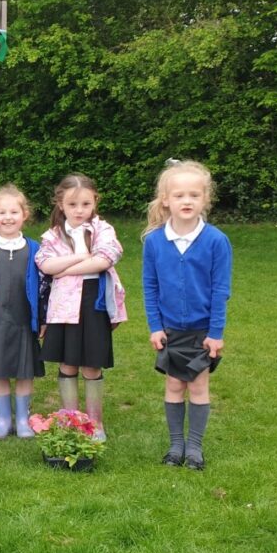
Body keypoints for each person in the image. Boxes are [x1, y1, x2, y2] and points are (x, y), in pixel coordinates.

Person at [142, 161, 231, 470]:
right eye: (179, 195)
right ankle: (175, 445)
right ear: (166, 199)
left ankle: (194, 448)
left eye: (194, 195)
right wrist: (155, 326)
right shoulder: (154, 242)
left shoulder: (216, 241)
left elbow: (221, 290)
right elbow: (149, 286)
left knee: (198, 387)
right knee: (174, 387)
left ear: (205, 199)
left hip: (202, 331)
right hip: (170, 331)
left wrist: (215, 332)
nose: (187, 201)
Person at [35, 173, 127, 441]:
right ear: (61, 204)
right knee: (67, 363)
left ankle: (95, 423)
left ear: (94, 202)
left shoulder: (103, 229)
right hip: (64, 307)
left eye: (85, 204)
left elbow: (105, 259)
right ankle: (69, 420)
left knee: (91, 364)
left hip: (93, 302)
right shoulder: (52, 235)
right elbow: (45, 265)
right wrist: (81, 256)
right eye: (73, 205)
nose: (79, 210)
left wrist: (65, 269)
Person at [0, 185, 45, 439]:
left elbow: (45, 286)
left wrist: (42, 318)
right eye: (2, 212)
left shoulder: (35, 249)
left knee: (25, 370)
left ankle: (23, 419)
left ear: (25, 215)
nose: (8, 217)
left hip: (25, 320)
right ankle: (3, 420)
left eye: (14, 211)